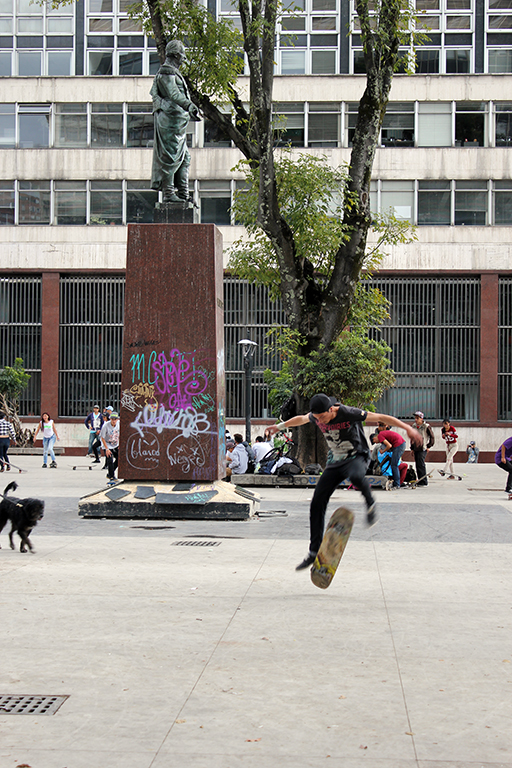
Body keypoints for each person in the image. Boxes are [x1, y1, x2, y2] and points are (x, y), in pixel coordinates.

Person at [267, 393, 422, 570]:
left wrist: (408, 429)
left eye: (323, 417)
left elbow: (380, 417)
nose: (321, 422)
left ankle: (370, 503)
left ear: (331, 409)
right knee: (317, 502)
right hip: (336, 462)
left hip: (357, 457)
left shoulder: (349, 412)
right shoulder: (316, 416)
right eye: (317, 419)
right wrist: (278, 427)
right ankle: (313, 551)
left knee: (355, 476)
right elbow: (301, 419)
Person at [150, 40, 201, 202]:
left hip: (177, 124)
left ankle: (183, 195)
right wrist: (189, 105)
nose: (183, 60)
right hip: (169, 123)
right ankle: (169, 194)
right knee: (170, 158)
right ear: (176, 55)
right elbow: (173, 94)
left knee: (184, 158)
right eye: (182, 56)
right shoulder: (166, 72)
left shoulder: (171, 72)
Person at [371, 422, 406, 488]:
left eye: (374, 441)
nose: (376, 443)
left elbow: (389, 445)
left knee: (394, 464)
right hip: (400, 444)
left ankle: (397, 484)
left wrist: (383, 451)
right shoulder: (383, 434)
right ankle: (396, 482)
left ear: (374, 438)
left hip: (399, 445)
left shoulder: (380, 435)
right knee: (393, 464)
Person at [411, 411, 434, 486]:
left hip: (423, 448)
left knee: (421, 464)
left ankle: (424, 481)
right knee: (417, 464)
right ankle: (420, 480)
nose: (416, 420)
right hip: (416, 448)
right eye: (415, 418)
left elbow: (432, 437)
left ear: (421, 419)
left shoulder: (426, 426)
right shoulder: (414, 426)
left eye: (417, 418)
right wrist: (412, 448)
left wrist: (429, 446)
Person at [100, 411, 120, 484]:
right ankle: (112, 476)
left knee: (119, 459)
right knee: (110, 460)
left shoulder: (119, 424)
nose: (114, 421)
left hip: (115, 444)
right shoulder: (106, 426)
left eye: (115, 419)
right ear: (110, 419)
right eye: (112, 419)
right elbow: (102, 438)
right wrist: (107, 449)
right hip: (107, 444)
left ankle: (109, 473)